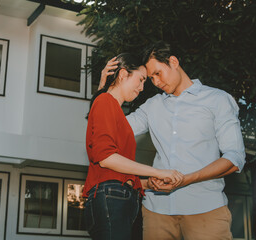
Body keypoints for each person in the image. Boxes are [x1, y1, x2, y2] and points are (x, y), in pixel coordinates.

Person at [99, 41, 246, 239]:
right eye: (151, 78)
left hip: (206, 209)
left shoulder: (217, 99)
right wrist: (105, 90)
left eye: (158, 73)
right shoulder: (152, 106)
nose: (156, 82)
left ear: (173, 61)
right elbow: (108, 130)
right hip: (156, 212)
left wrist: (186, 180)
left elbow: (234, 158)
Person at [83, 53, 184, 240]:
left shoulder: (113, 109)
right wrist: (159, 172)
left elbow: (96, 128)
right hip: (111, 198)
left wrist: (146, 183)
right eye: (141, 79)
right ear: (123, 74)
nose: (142, 87)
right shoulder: (106, 102)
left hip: (119, 197)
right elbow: (105, 158)